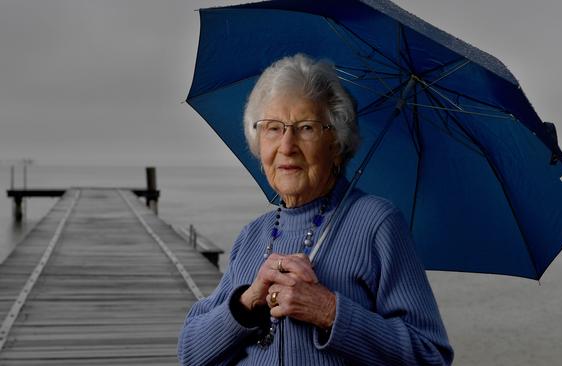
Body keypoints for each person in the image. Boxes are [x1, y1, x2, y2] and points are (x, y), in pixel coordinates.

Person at [178, 54, 453, 365]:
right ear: (258, 143)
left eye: (306, 128)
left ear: (335, 143)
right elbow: (192, 355)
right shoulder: (253, 235)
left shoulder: (377, 224)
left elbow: (430, 356)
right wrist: (249, 300)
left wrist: (330, 312)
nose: (287, 146)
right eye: (272, 129)